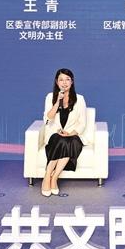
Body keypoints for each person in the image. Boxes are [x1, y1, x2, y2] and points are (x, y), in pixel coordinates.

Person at [41, 68, 87, 197]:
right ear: (57, 82)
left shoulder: (80, 99)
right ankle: (47, 176)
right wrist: (57, 102)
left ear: (72, 82)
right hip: (54, 135)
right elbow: (47, 119)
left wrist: (70, 133)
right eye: (61, 80)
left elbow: (82, 123)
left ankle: (53, 177)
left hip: (72, 135)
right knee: (60, 139)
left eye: (67, 79)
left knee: (70, 141)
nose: (64, 82)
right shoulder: (50, 97)